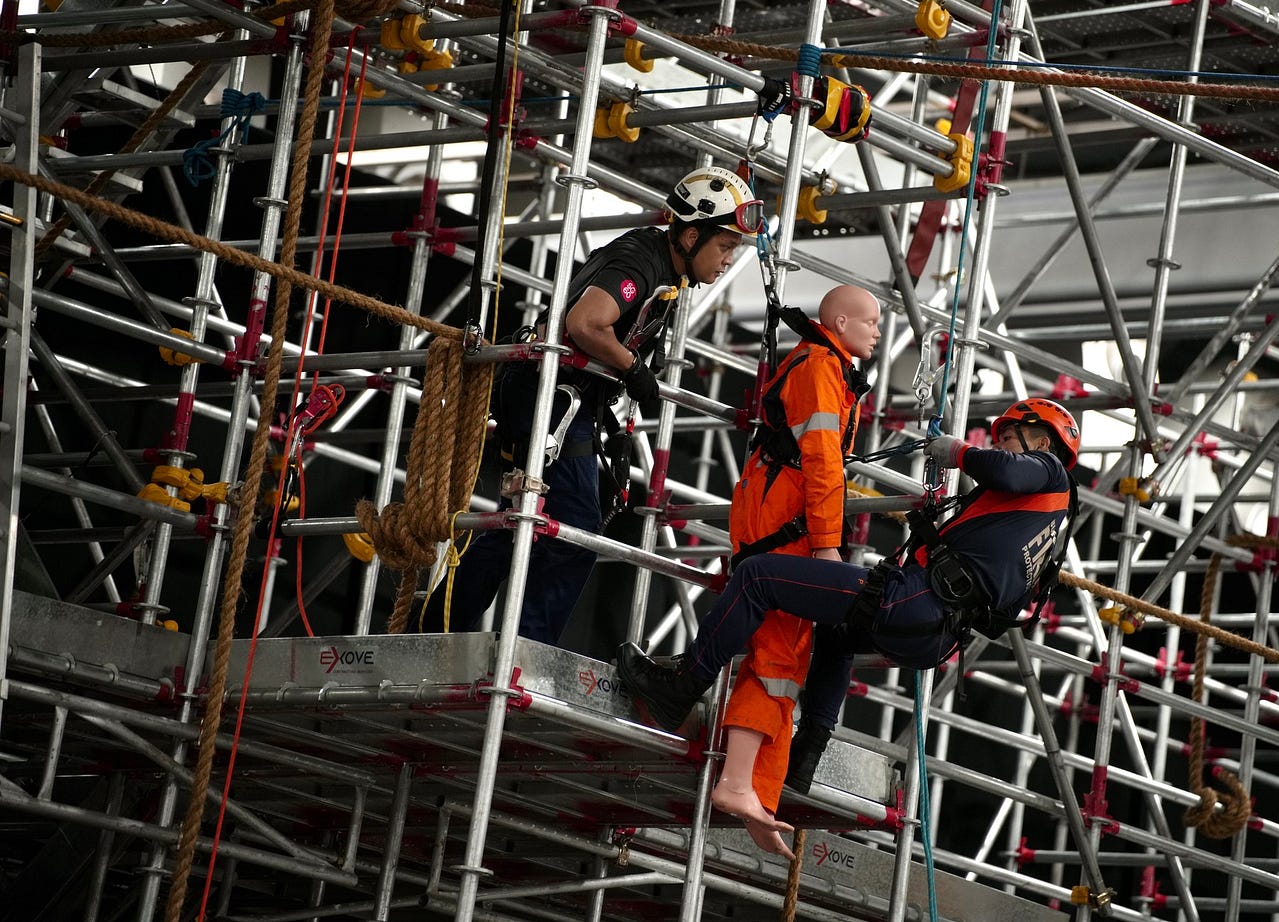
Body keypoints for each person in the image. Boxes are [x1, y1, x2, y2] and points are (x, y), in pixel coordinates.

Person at [617, 398, 1080, 824]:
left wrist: (959, 451)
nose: (997, 444)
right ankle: (807, 754)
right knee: (836, 639)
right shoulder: (1041, 520)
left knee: (757, 577)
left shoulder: (1047, 474)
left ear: (1041, 441)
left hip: (918, 600)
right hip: (935, 631)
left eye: (1007, 436)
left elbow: (1010, 471)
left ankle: (680, 687)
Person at [415, 166, 763, 643]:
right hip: (553, 395)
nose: (727, 261)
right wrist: (632, 368)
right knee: (573, 528)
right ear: (689, 233)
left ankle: (439, 626)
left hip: (558, 397)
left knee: (519, 522)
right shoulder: (640, 261)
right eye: (725, 246)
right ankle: (526, 652)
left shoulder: (664, 270)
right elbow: (585, 324)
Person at [713, 285, 880, 857]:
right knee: (779, 655)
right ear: (839, 321)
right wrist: (829, 546)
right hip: (785, 526)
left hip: (784, 522)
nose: (878, 329)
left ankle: (757, 788)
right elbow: (822, 458)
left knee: (787, 661)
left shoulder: (825, 365)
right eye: (870, 319)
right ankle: (738, 782)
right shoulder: (818, 366)